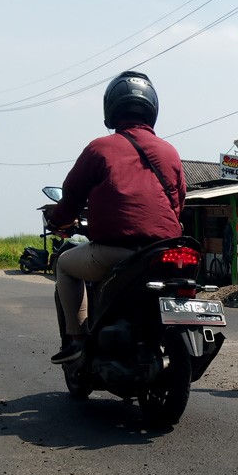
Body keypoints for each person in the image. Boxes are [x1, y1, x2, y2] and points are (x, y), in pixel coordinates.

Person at [46, 70, 186, 364]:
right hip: (163, 251)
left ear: (111, 108)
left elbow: (71, 196)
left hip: (114, 252)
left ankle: (78, 339)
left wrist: (58, 222)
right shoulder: (169, 152)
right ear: (152, 108)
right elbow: (177, 203)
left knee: (64, 265)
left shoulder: (100, 148)